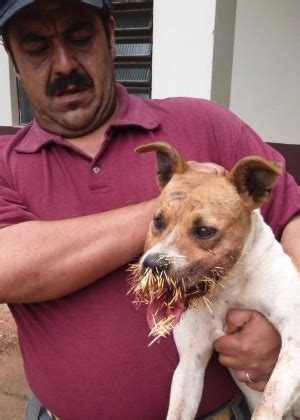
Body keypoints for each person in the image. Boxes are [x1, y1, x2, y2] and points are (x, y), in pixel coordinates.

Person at [0, 1, 299, 419]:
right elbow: (6, 265)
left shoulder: (204, 121)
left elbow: (294, 216)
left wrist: (286, 321)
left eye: (80, 38)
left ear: (111, 36)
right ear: (14, 61)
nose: (64, 64)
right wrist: (172, 209)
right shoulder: (4, 161)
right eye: (36, 48)